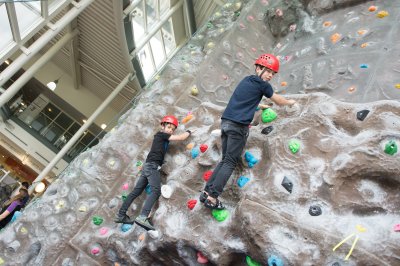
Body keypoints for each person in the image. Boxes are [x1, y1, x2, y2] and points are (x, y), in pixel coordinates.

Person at [200, 53, 297, 210]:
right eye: (269, 71)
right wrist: (289, 102)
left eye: (273, 73)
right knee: (230, 162)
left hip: (226, 123)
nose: (270, 76)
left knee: (225, 160)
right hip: (238, 127)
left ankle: (206, 192)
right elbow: (278, 100)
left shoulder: (246, 80)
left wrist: (259, 106)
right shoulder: (263, 85)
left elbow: (245, 101)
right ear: (259, 68)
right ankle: (212, 197)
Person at [115, 115, 193, 230]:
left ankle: (121, 215)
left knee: (136, 191)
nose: (170, 130)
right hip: (152, 166)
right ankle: (142, 217)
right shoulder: (162, 135)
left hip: (148, 165)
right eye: (169, 127)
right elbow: (181, 137)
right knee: (156, 191)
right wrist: (189, 131)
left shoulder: (161, 136)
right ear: (162, 126)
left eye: (172, 129)